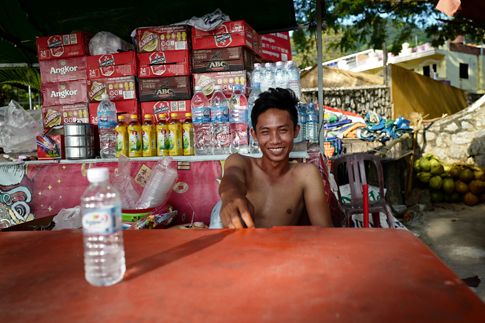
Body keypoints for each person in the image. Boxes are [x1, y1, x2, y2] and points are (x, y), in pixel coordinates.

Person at [215, 88, 332, 228]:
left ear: (296, 131)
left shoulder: (306, 174)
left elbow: (324, 230)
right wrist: (230, 195)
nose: (275, 140)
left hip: (285, 248)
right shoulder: (241, 162)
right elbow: (232, 178)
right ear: (254, 134)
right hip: (243, 249)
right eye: (265, 132)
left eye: (283, 130)